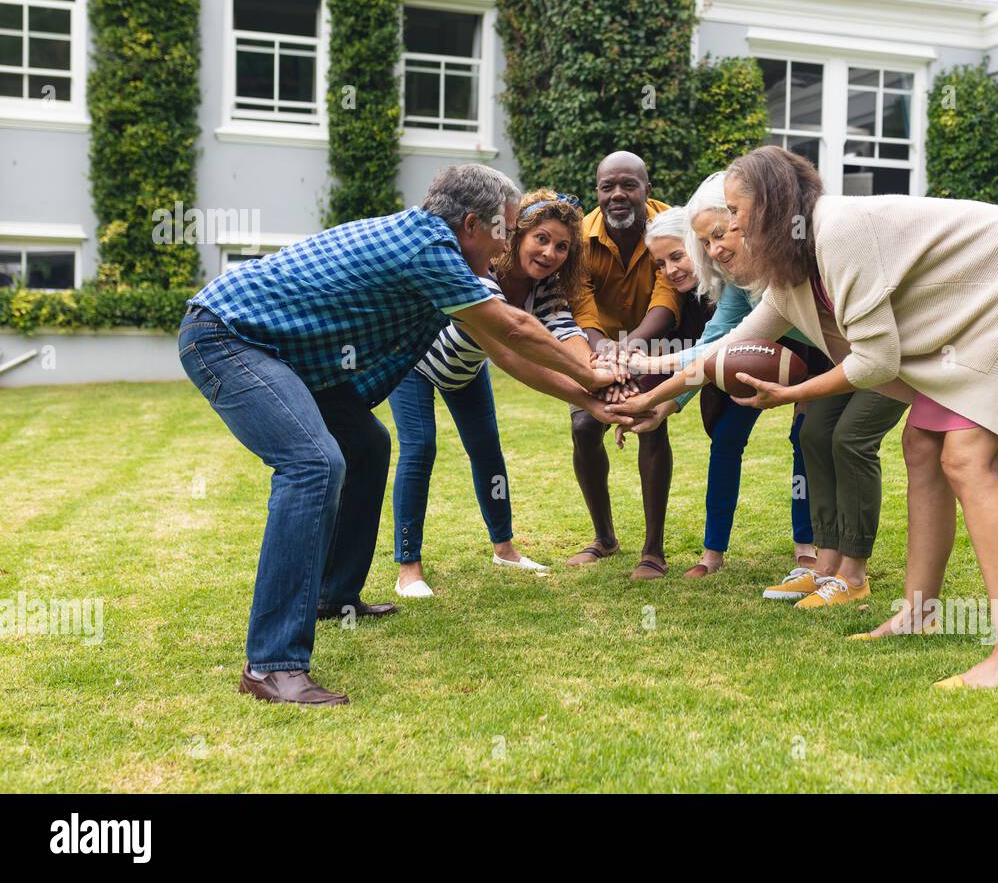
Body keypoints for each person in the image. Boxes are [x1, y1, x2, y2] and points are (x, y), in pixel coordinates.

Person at [614, 145, 998, 689]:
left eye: (736, 215)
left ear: (769, 207)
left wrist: (790, 394)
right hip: (973, 306)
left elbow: (876, 360)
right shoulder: (790, 274)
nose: (729, 232)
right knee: (922, 446)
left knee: (967, 458)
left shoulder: (836, 233)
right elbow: (723, 349)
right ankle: (919, 613)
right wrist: (645, 382)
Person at [178, 165, 622, 706]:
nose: (505, 245)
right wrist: (594, 378)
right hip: (229, 334)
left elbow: (508, 349)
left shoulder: (438, 248)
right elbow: (512, 333)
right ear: (471, 224)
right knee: (313, 464)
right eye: (503, 231)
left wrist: (591, 397)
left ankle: (333, 596)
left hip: (280, 350)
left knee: (367, 445)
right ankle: (271, 664)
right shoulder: (430, 248)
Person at [389, 189, 594, 595]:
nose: (550, 252)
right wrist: (590, 394)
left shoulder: (546, 288)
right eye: (542, 238)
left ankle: (505, 549)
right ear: (518, 235)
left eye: (561, 246)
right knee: (420, 448)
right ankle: (408, 568)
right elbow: (511, 350)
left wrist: (597, 374)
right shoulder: (480, 273)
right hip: (414, 363)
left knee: (487, 450)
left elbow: (567, 334)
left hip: (463, 370)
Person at [623, 173, 821, 580]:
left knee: (807, 437)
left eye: (680, 255)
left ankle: (808, 546)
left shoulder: (782, 259)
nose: (712, 251)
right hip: (755, 353)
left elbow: (712, 351)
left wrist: (645, 366)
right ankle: (713, 552)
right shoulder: (732, 283)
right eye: (705, 244)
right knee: (727, 435)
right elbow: (714, 351)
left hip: (820, 352)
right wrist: (666, 404)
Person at [564, 151, 681, 581]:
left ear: (646, 189)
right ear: (596, 191)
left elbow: (667, 296)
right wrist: (607, 353)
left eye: (628, 185)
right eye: (607, 186)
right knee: (583, 428)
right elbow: (580, 303)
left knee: (649, 422)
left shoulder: (670, 224)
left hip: (658, 342)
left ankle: (653, 551)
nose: (617, 195)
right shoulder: (578, 237)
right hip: (598, 346)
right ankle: (605, 539)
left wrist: (631, 351)